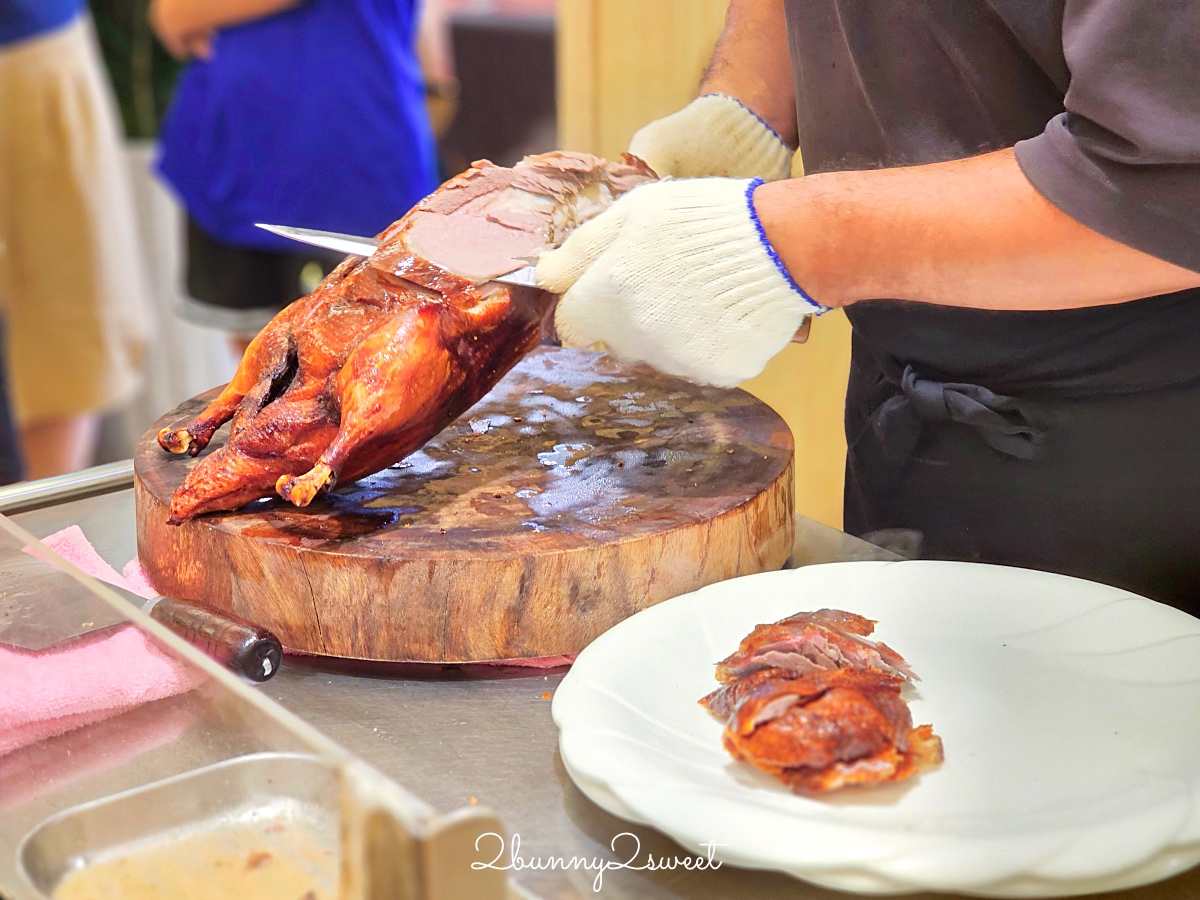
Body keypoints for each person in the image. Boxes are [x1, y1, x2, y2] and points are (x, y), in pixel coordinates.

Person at [537, 1, 1200, 614]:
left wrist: (804, 243)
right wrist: (748, 107)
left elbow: (1172, 187)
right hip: (913, 419)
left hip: (1150, 478)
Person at [151, 0, 441, 353]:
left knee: (384, 348)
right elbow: (172, 18)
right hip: (243, 147)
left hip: (352, 153)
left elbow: (176, 16)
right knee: (263, 361)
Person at [0, 0, 150, 479]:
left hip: (31, 51)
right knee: (65, 320)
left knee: (63, 325)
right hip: (27, 59)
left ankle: (47, 545)